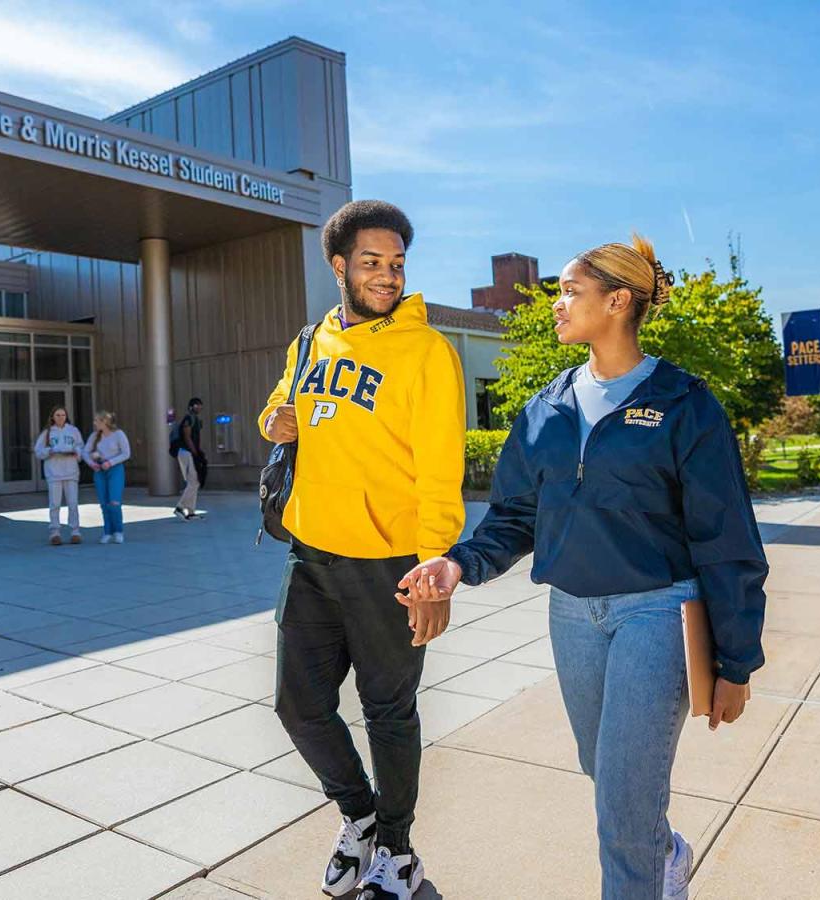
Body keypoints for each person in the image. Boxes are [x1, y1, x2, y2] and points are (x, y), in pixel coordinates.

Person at [399, 234, 766, 900]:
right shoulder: (546, 409)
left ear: (618, 300)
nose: (557, 306)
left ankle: (644, 869)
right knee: (605, 774)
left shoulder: (686, 403)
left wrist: (736, 661)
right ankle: (666, 852)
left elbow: (726, 535)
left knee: (623, 805)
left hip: (657, 610)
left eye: (570, 291)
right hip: (572, 615)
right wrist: (457, 565)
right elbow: (513, 518)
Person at [259, 200, 465, 900]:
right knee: (298, 704)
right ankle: (360, 814)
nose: (387, 276)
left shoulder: (426, 351)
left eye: (397, 264)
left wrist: (434, 569)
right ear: (339, 265)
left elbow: (442, 468)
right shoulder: (309, 341)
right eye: (373, 263)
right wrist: (273, 420)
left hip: (391, 566)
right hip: (310, 557)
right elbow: (281, 408)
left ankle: (398, 854)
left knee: (388, 712)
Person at [34, 406, 83, 545]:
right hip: (54, 473)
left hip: (71, 472)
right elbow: (38, 451)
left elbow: (81, 447)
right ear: (52, 417)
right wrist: (49, 451)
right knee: (55, 503)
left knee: (73, 503)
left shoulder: (73, 431)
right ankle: (55, 532)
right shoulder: (47, 433)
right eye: (57, 415)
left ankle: (75, 531)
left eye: (63, 415)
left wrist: (76, 451)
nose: (61, 417)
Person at [83, 411, 131, 544]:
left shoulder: (118, 434)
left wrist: (110, 462)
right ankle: (107, 532)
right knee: (104, 504)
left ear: (105, 421)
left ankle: (118, 531)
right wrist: (92, 464)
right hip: (99, 471)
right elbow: (85, 452)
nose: (94, 423)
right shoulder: (94, 436)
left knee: (114, 502)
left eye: (97, 420)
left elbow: (126, 453)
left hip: (115, 470)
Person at [171, 397, 206, 520]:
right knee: (193, 482)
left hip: (190, 452)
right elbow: (187, 437)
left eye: (200, 405)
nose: (199, 407)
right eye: (197, 405)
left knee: (194, 483)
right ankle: (180, 507)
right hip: (186, 452)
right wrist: (195, 452)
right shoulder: (188, 419)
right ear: (191, 406)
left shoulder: (194, 419)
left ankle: (190, 511)